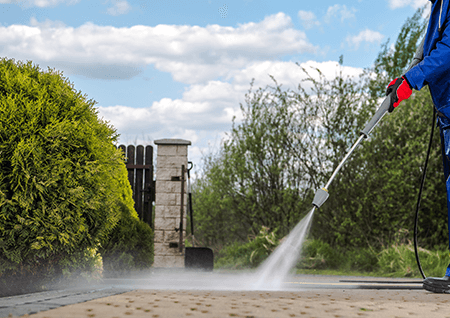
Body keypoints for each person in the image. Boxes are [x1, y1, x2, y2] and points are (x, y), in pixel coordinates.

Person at [387, 0, 450, 293]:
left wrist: (411, 80)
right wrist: (404, 79)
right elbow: (425, 53)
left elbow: (447, 51)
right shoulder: (438, 6)